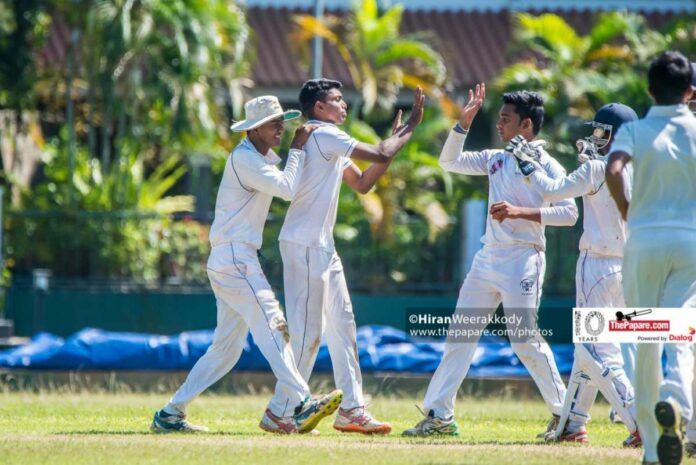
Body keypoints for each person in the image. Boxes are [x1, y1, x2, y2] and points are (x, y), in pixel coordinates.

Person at [151, 96, 342, 435]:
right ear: (253, 129)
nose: (281, 127)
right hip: (235, 258)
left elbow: (291, 182)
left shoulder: (261, 157)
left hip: (232, 258)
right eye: (273, 123)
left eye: (282, 121)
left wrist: (309, 150)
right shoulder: (244, 159)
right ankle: (301, 402)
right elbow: (286, 188)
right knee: (272, 321)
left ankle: (170, 413)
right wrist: (299, 148)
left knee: (226, 351)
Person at [402, 85, 577, 437]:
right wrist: (463, 123)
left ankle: (567, 418)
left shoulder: (547, 163)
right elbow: (448, 161)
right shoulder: (496, 158)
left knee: (524, 339)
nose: (499, 124)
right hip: (487, 259)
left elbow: (569, 213)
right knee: (459, 336)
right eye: (498, 117)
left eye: (506, 118)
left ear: (526, 124)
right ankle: (439, 416)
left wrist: (520, 212)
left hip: (524, 258)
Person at [277, 79, 425, 434]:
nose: (344, 106)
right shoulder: (323, 134)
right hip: (305, 245)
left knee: (344, 328)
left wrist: (394, 144)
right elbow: (381, 152)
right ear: (319, 108)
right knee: (309, 333)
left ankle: (352, 410)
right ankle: (282, 410)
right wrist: (410, 127)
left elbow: (362, 183)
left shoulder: (329, 139)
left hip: (323, 248)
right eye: (337, 100)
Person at [513, 102, 641, 446]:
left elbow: (553, 192)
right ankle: (572, 424)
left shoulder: (598, 168)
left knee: (594, 349)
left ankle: (639, 421)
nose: (595, 138)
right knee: (590, 348)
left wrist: (528, 164)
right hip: (627, 268)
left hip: (596, 265)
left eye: (602, 132)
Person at [606, 51, 696, 465]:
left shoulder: (636, 130)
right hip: (690, 243)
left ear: (648, 89)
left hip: (642, 240)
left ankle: (652, 451)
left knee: (646, 337)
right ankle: (677, 403)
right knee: (684, 331)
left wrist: (627, 210)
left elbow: (613, 168)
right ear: (690, 92)